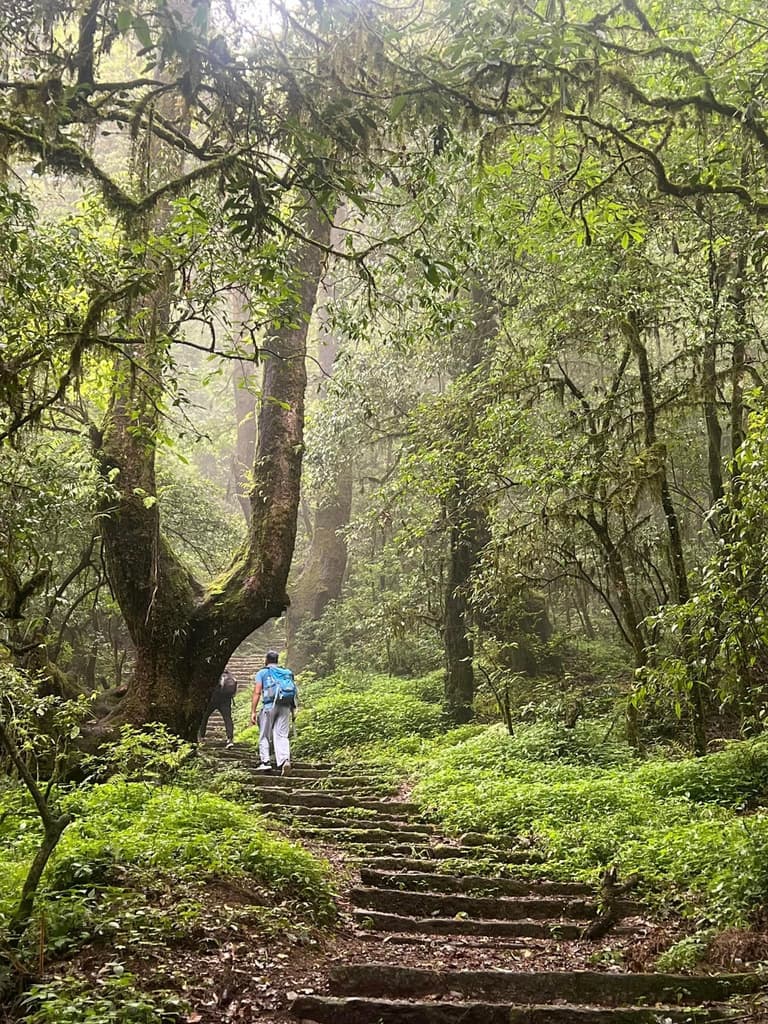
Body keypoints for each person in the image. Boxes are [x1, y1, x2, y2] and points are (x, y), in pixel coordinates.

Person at [251, 651, 297, 775]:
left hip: (269, 706)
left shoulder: (263, 672)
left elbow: (257, 692)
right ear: (277, 660)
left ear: (266, 660)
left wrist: (253, 711)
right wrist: (293, 710)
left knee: (265, 735)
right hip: (285, 706)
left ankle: (265, 762)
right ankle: (284, 761)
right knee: (282, 735)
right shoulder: (286, 673)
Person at [198, 669, 237, 748]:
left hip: (212, 699)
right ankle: (230, 739)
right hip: (226, 700)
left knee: (204, 717)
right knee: (227, 719)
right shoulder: (229, 675)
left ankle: (201, 737)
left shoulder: (211, 674)